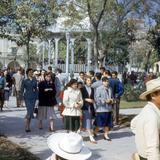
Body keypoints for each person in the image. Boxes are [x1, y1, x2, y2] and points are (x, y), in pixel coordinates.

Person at [131, 78, 160, 160]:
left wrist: (142, 136)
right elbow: (152, 148)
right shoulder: (151, 116)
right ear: (153, 95)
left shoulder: (149, 109)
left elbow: (133, 124)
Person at [94, 77, 114, 141]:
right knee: (99, 124)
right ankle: (95, 132)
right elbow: (97, 98)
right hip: (101, 109)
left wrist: (112, 100)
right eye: (105, 81)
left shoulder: (110, 88)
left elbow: (112, 96)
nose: (106, 83)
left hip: (109, 109)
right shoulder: (98, 89)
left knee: (108, 123)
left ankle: (106, 135)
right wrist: (105, 101)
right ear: (102, 82)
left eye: (107, 81)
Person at [81, 77, 96, 143]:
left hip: (91, 107)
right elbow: (80, 98)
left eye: (90, 80)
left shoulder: (92, 89)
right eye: (88, 80)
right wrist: (86, 99)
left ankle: (78, 134)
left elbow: (93, 97)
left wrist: (93, 101)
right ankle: (91, 136)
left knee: (87, 121)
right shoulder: (82, 89)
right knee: (87, 121)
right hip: (84, 107)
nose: (89, 81)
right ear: (85, 81)